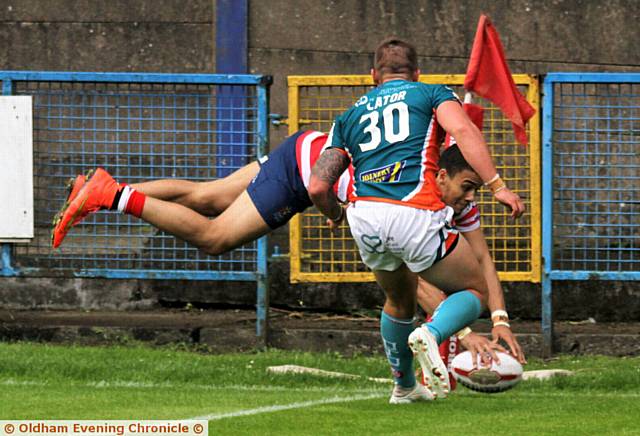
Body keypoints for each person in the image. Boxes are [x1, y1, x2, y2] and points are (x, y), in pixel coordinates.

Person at [308, 37, 524, 404]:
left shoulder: (347, 117)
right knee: (475, 290)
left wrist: (335, 214)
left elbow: (317, 186)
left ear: (373, 75)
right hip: (413, 209)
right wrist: (497, 185)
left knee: (398, 300)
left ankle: (405, 387)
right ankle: (433, 333)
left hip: (364, 218)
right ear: (417, 73)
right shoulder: (430, 94)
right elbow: (464, 132)